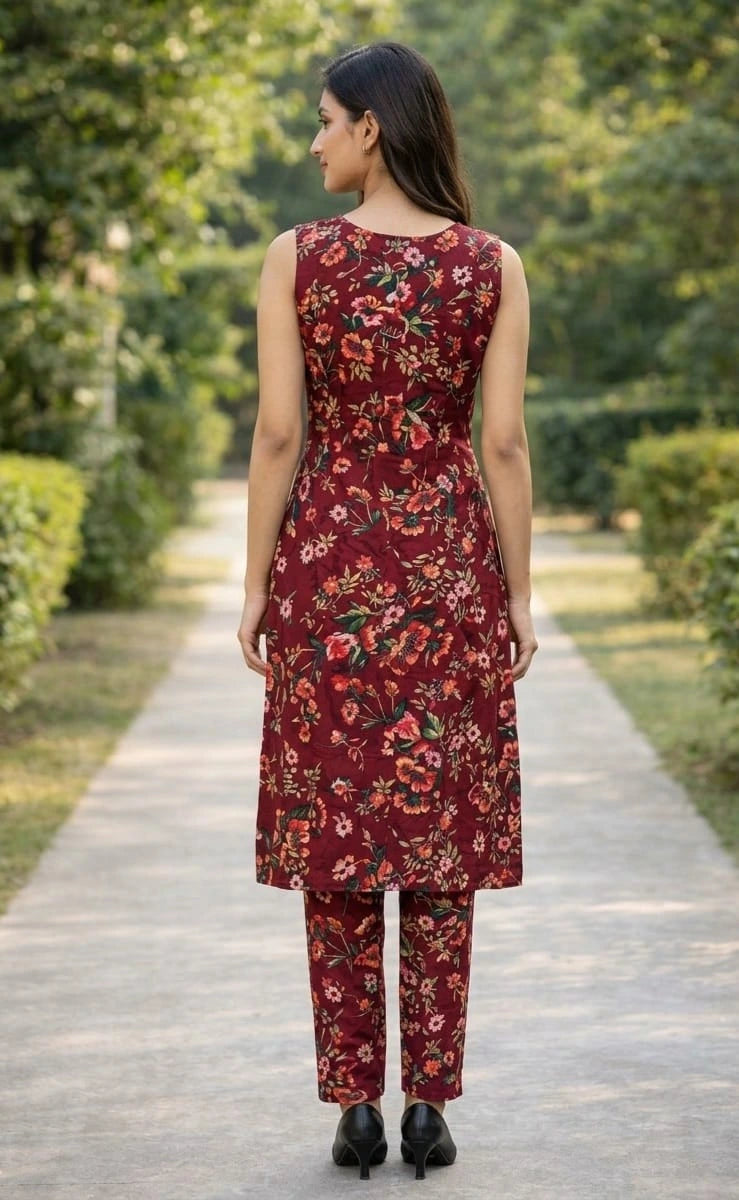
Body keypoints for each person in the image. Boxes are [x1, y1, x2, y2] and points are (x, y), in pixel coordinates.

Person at [237, 40, 537, 1182]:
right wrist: (517, 594)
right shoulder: (491, 264)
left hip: (328, 579)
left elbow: (279, 436)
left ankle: (354, 1110)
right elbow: (499, 442)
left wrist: (258, 584)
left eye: (321, 120)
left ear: (371, 127)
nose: (312, 140)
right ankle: (430, 1110)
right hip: (449, 581)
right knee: (441, 855)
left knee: (342, 853)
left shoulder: (296, 260)